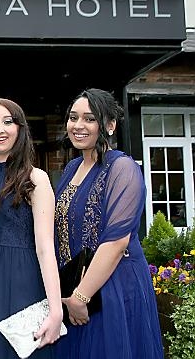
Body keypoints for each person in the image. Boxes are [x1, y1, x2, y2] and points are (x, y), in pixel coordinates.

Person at [54, 88, 163, 358]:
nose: (78, 126)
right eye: (73, 117)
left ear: (110, 125)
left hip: (113, 289)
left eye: (89, 119)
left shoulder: (122, 168)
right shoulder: (71, 168)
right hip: (76, 289)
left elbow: (116, 242)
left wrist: (81, 297)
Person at [0, 98, 63, 359]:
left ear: (20, 128)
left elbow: (45, 247)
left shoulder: (35, 178)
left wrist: (55, 309)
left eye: (8, 122)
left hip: (21, 281)